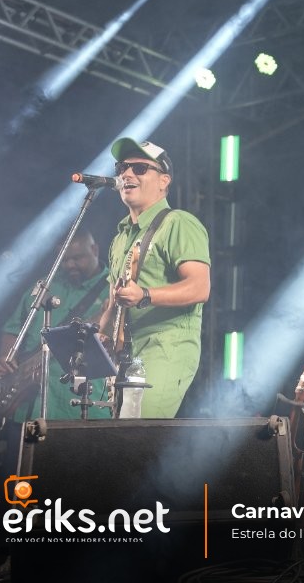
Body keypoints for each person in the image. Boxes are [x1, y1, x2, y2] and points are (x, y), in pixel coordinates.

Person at [96, 138, 210, 418]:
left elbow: (200, 287)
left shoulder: (178, 222)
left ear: (164, 181)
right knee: (115, 436)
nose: (127, 174)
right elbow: (113, 301)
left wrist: (145, 295)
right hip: (124, 354)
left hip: (165, 347)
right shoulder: (120, 237)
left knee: (137, 434)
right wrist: (101, 334)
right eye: (122, 168)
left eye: (139, 168)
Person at [0, 229, 111, 420]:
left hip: (78, 406)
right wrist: (5, 355)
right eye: (64, 260)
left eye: (77, 258)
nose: (70, 265)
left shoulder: (113, 288)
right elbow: (13, 328)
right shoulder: (46, 285)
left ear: (95, 250)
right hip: (28, 406)